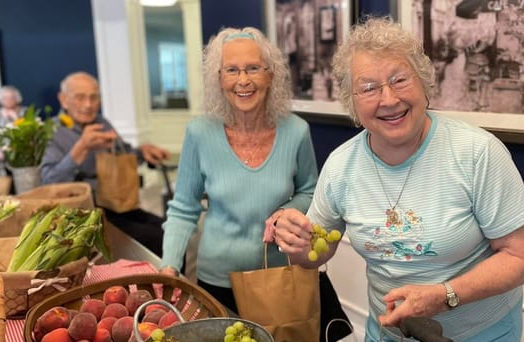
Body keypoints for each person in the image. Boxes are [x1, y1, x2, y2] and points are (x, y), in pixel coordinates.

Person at [272, 17, 524, 342]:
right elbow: (318, 248)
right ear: (351, 101)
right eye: (369, 88)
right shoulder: (341, 166)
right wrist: (299, 247)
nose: (389, 99)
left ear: (424, 83)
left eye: (400, 79)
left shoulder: (476, 153)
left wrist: (444, 294)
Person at [159, 26, 318, 313]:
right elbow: (184, 207)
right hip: (217, 279)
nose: (243, 80)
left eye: (253, 68)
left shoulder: (296, 131)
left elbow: (310, 190)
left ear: (270, 75)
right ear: (218, 79)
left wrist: (287, 210)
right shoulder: (199, 133)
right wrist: (169, 264)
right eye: (231, 70)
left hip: (278, 275)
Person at [40, 71, 170, 256]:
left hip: (114, 202)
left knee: (168, 229)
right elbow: (48, 182)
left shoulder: (102, 122)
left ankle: (174, 282)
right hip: (82, 214)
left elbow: (123, 156)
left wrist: (142, 152)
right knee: (155, 237)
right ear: (63, 100)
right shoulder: (52, 131)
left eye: (94, 97)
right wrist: (81, 148)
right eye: (80, 97)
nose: (88, 104)